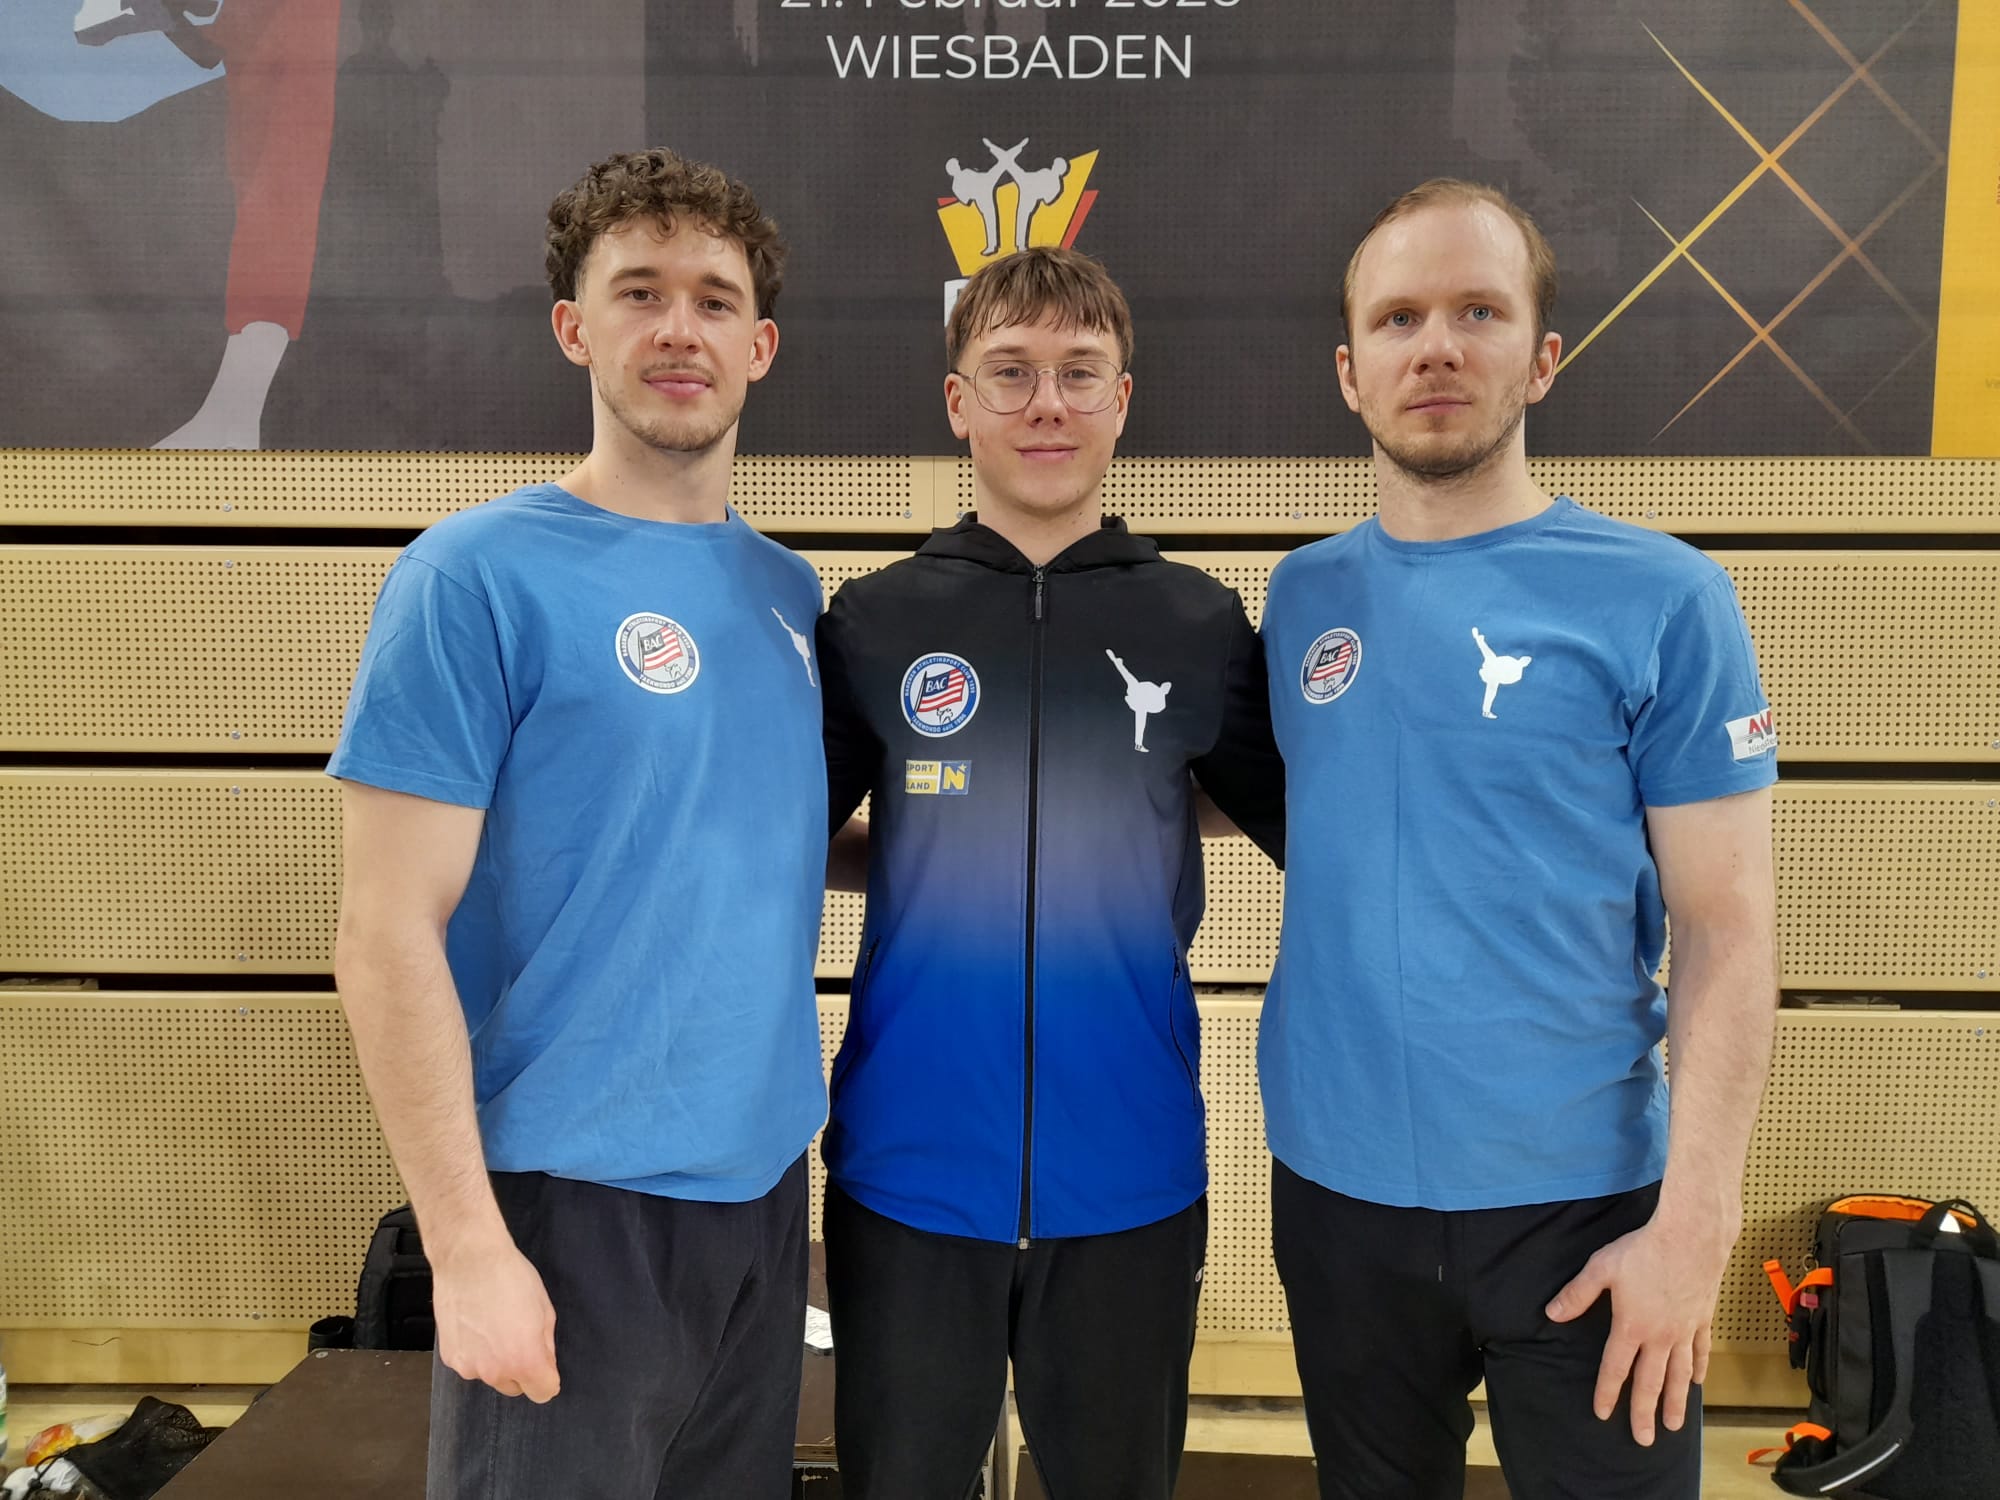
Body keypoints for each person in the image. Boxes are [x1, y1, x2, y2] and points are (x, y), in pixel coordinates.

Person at [1259, 179, 1780, 1499]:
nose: (1435, 346)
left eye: (1477, 312)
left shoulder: (1667, 598)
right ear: (1349, 373)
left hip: (1586, 1212)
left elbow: (1725, 926)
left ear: (1542, 358)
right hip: (1339, 1204)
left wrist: (1695, 1228)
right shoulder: (1302, 598)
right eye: (1398, 318)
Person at [329, 147, 826, 1499]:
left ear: (760, 346)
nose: (679, 329)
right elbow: (384, 933)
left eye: (715, 300)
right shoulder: (470, 578)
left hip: (761, 1199)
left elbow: (748, 841)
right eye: (639, 292)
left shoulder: (787, 594)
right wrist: (466, 1248)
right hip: (567, 1206)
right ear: (573, 327)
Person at [816, 244, 1285, 1500]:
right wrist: (928, 858)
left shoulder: (1195, 623)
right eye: (1010, 372)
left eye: (1079, 373)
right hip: (908, 1168)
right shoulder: (873, 621)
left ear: (1121, 400)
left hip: (1129, 1170)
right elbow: (782, 838)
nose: (1046, 404)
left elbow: (1309, 821)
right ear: (957, 401)